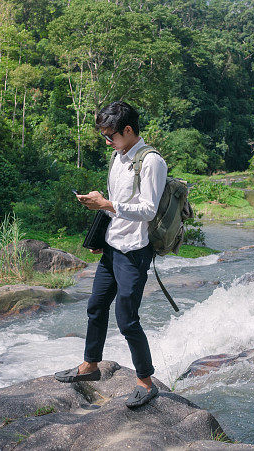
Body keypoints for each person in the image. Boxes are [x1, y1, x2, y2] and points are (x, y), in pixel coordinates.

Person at [54, 101, 168, 409]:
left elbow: (148, 209)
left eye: (110, 135)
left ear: (128, 130)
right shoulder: (118, 158)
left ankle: (146, 382)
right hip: (113, 246)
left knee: (127, 319)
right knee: (96, 306)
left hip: (135, 252)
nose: (107, 141)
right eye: (105, 135)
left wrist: (105, 204)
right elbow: (114, 203)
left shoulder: (152, 162)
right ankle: (91, 365)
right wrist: (100, 234)